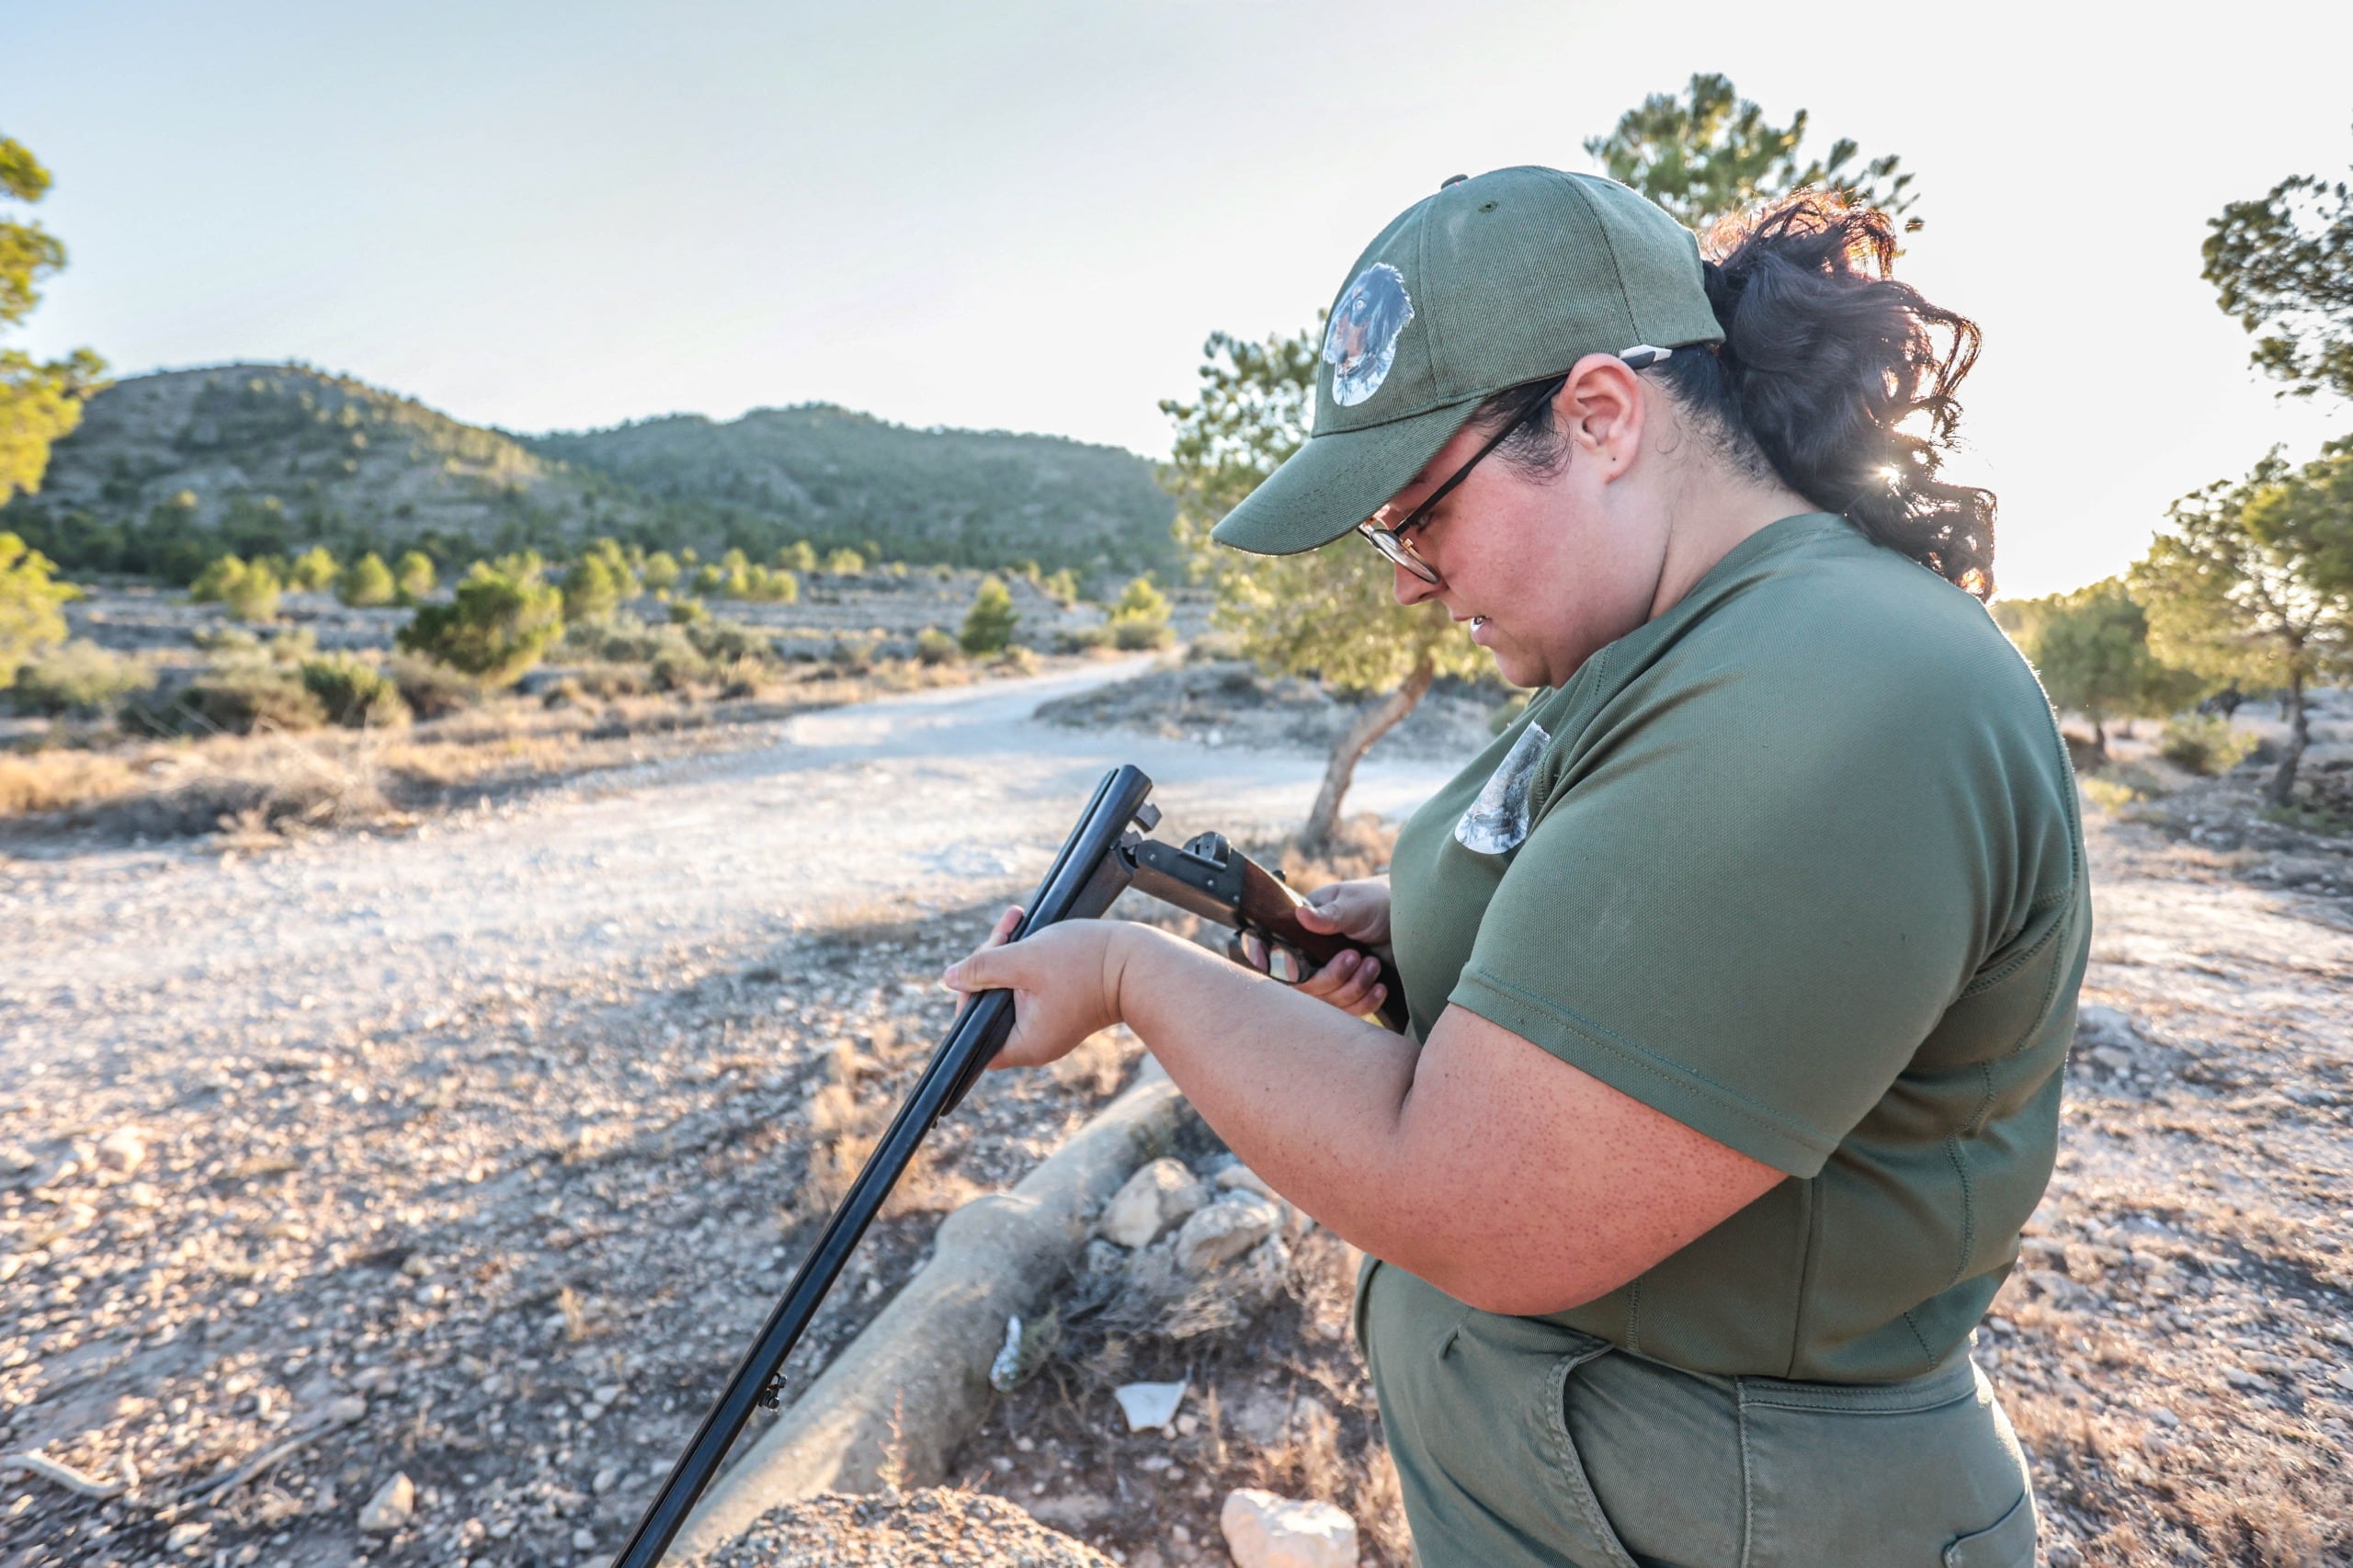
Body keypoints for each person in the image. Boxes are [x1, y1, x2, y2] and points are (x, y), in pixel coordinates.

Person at [944, 165, 2082, 1568]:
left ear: (1600, 417)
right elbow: (1607, 919)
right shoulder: (1667, 648)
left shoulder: (1831, 680)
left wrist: (1131, 974)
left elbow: (1469, 1199)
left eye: (1418, 514)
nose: (1409, 580)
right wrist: (1422, 929)